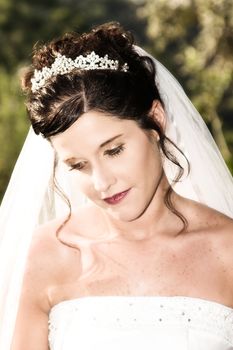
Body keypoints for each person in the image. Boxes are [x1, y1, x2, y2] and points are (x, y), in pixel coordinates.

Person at [0, 22, 233, 350]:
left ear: (156, 121)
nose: (102, 182)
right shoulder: (48, 253)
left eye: (114, 150)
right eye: (77, 165)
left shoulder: (228, 250)